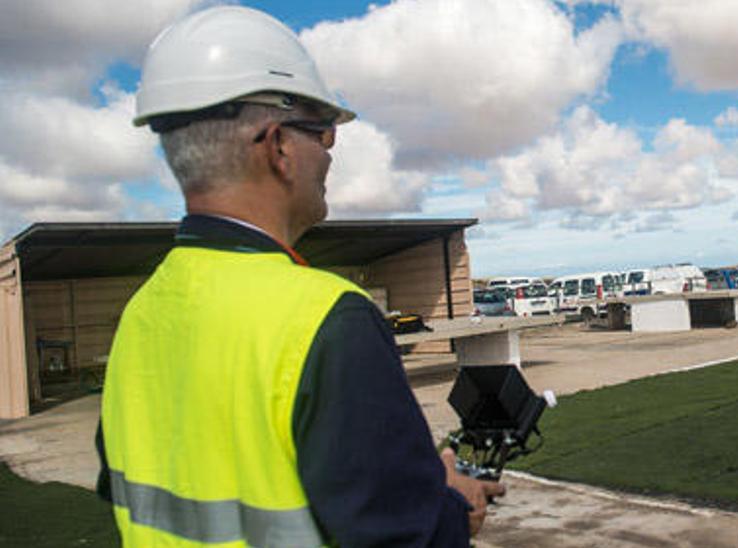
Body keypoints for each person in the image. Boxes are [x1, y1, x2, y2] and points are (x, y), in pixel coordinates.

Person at [95, 6, 503, 546]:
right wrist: (455, 502)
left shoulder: (143, 312)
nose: (330, 154)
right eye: (323, 133)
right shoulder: (330, 320)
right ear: (279, 146)